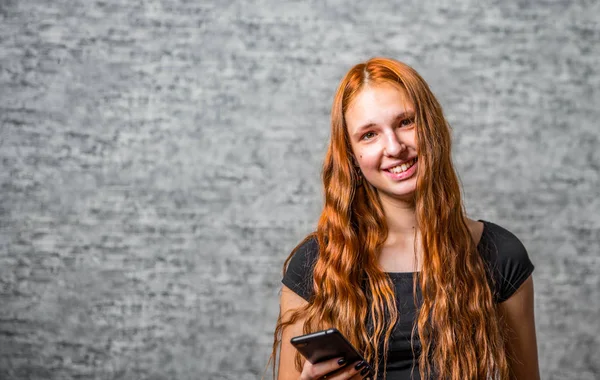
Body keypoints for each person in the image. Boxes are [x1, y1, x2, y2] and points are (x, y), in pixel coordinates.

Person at [270, 57, 540, 380]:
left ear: (432, 126)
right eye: (369, 134)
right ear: (351, 156)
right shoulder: (315, 266)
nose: (394, 147)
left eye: (405, 122)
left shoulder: (501, 256)